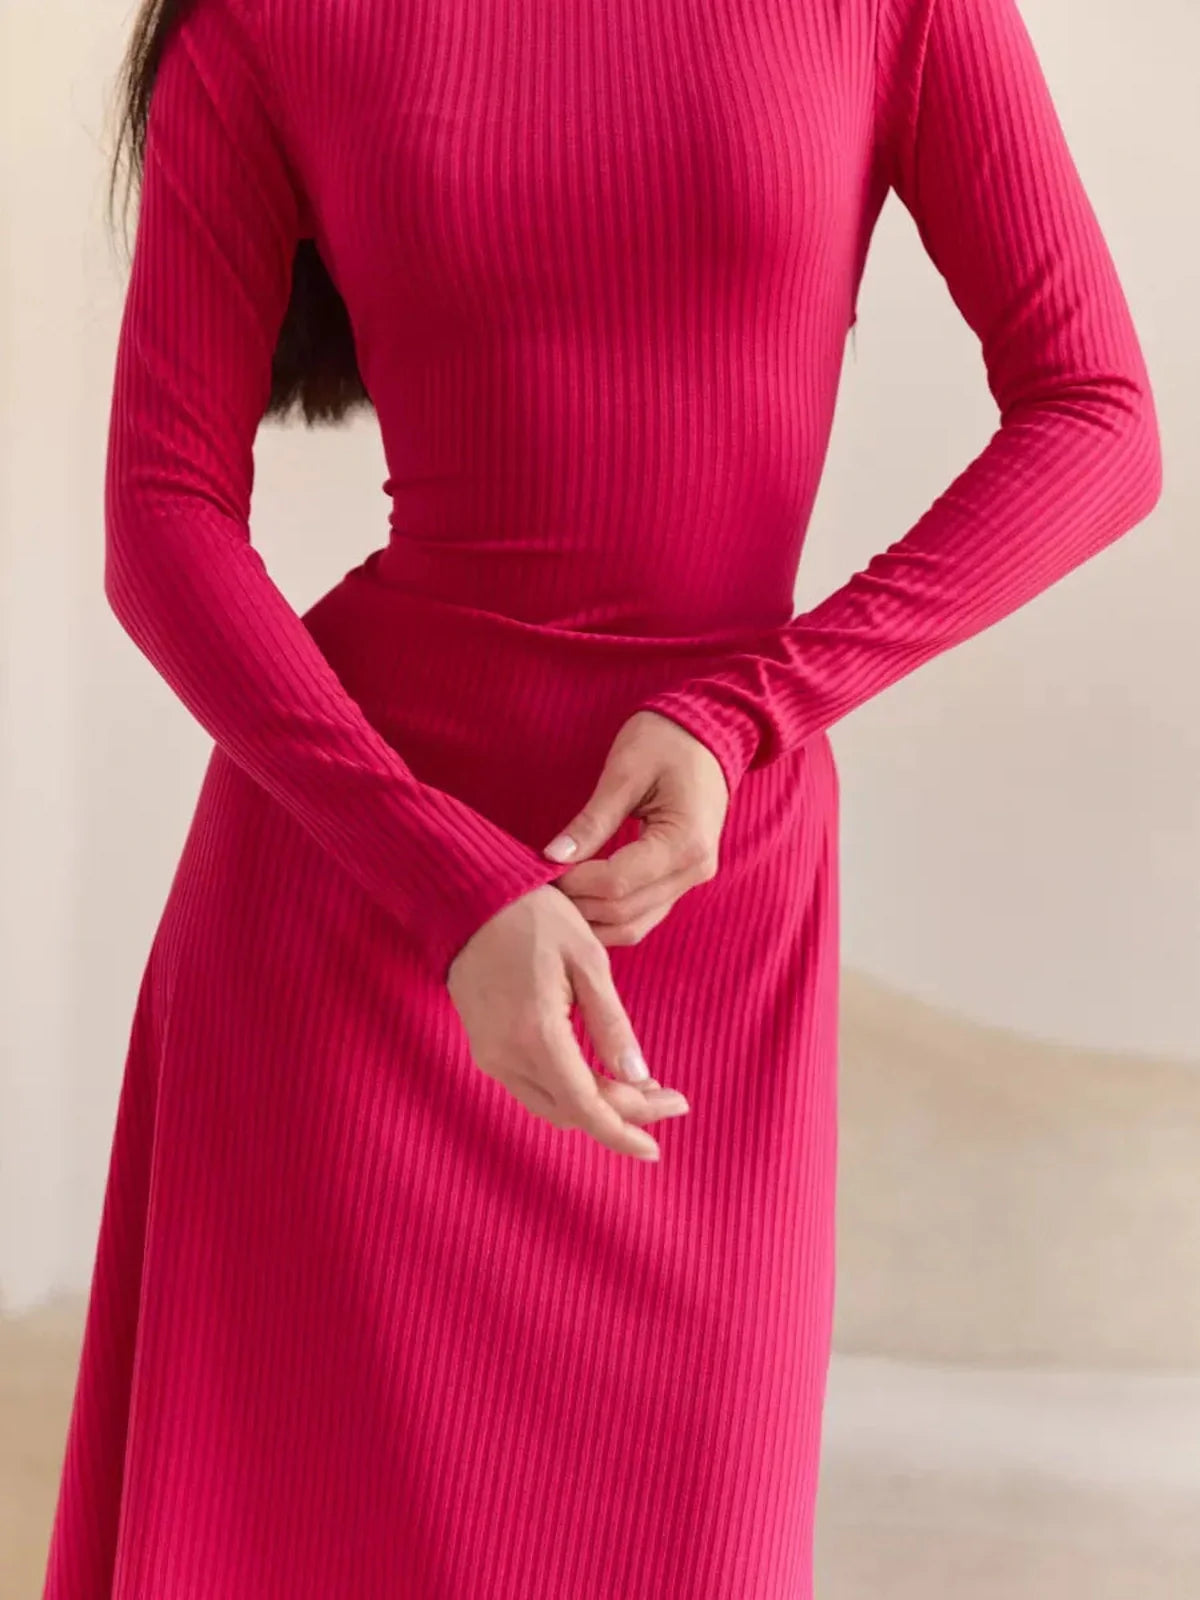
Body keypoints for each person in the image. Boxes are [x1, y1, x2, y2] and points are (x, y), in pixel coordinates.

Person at [43, 0, 1161, 1593]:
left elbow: (1098, 419)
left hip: (715, 897)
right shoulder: (270, 19)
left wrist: (747, 714)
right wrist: (443, 879)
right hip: (355, 901)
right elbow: (160, 521)